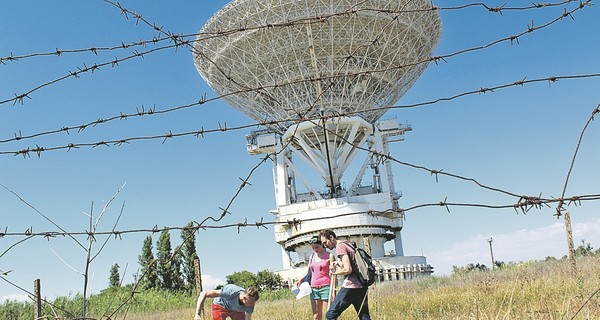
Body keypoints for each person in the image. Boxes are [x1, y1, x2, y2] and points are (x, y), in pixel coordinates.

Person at [319, 229, 371, 320]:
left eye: (325, 242)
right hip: (362, 285)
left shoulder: (340, 247)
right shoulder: (347, 243)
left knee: (330, 315)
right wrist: (337, 263)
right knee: (364, 316)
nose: (325, 246)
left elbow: (348, 269)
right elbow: (351, 263)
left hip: (351, 286)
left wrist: (334, 272)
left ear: (331, 237)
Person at [295, 235, 332, 320]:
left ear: (322, 245)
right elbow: (308, 270)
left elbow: (333, 273)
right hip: (314, 288)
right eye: (313, 248)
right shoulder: (312, 256)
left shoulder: (329, 256)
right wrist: (300, 279)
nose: (315, 249)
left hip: (326, 286)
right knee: (316, 315)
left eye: (317, 247)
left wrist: (333, 291)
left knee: (329, 314)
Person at [194, 284, 259, 320]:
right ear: (244, 299)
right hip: (220, 306)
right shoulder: (231, 291)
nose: (253, 305)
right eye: (251, 303)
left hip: (236, 310)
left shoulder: (250, 304)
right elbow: (203, 293)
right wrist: (197, 314)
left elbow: (247, 318)